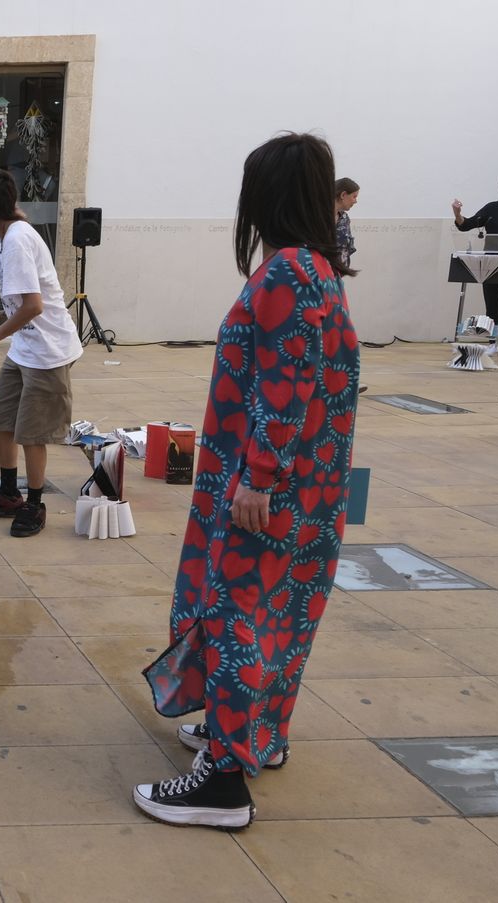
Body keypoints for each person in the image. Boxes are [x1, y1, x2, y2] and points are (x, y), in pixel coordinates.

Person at [133, 132, 360, 830]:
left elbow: (285, 383)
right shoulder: (319, 268)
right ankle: (260, 734)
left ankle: (224, 781)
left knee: (237, 615)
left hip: (267, 485)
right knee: (284, 615)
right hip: (314, 489)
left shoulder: (287, 272)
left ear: (265, 194)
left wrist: (259, 475)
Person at [0, 170, 83, 537]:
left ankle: (35, 503)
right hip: (25, 349)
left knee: (32, 434)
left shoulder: (16, 240)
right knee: (1, 420)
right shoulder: (5, 234)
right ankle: (7, 493)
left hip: (48, 352)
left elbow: (32, 306)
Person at [454, 171, 498, 352]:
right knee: (492, 303)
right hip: (494, 264)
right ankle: (493, 342)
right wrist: (457, 213)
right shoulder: (492, 209)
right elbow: (466, 225)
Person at [334, 177, 359, 271]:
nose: (355, 201)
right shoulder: (317, 217)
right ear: (343, 195)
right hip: (320, 276)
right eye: (354, 196)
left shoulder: (344, 219)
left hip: (338, 276)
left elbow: (347, 248)